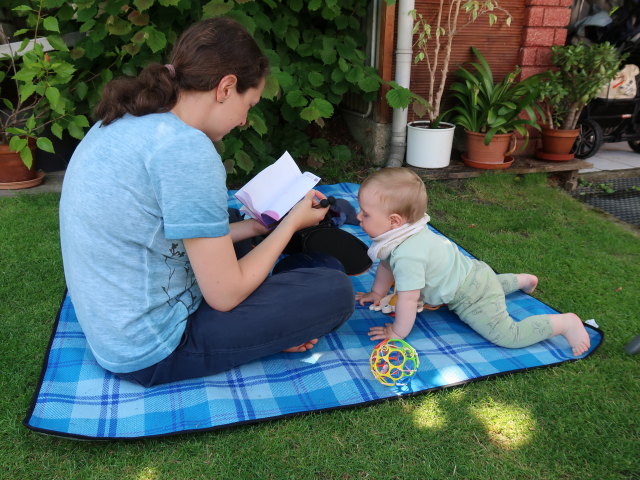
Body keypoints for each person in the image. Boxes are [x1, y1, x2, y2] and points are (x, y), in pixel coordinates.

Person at [59, 17, 354, 387]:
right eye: (250, 104)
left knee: (232, 220)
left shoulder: (124, 119)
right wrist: (291, 223)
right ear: (226, 87)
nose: (246, 120)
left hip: (116, 325)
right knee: (335, 291)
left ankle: (290, 262)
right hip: (154, 348)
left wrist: (254, 227)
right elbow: (225, 296)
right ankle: (297, 263)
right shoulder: (186, 149)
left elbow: (158, 233)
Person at [354, 167, 591, 357]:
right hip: (474, 273)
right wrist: (377, 293)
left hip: (469, 297)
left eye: (365, 213)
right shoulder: (404, 233)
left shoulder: (408, 255)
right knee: (491, 284)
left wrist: (397, 332)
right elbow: (386, 264)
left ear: (395, 221)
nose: (358, 216)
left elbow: (408, 298)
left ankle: (565, 323)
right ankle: (523, 280)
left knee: (509, 335)